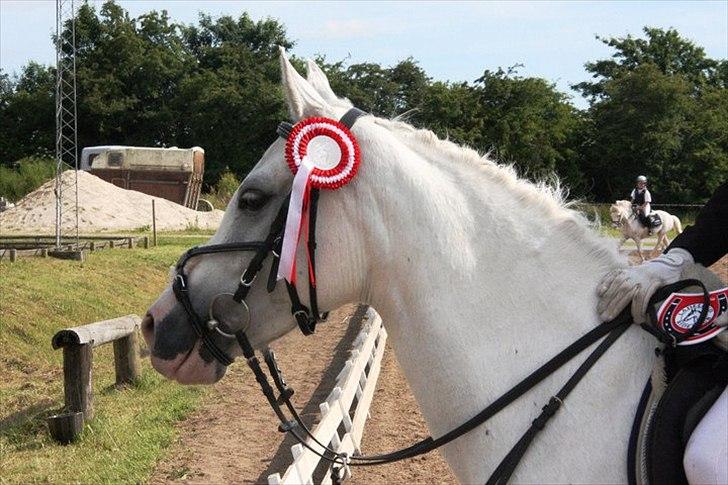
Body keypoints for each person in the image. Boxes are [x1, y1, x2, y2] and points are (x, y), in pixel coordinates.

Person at [597, 182, 728, 485]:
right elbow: (723, 215)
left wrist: (641, 207)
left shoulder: (645, 195)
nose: (641, 186)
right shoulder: (636, 192)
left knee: (710, 461)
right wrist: (677, 257)